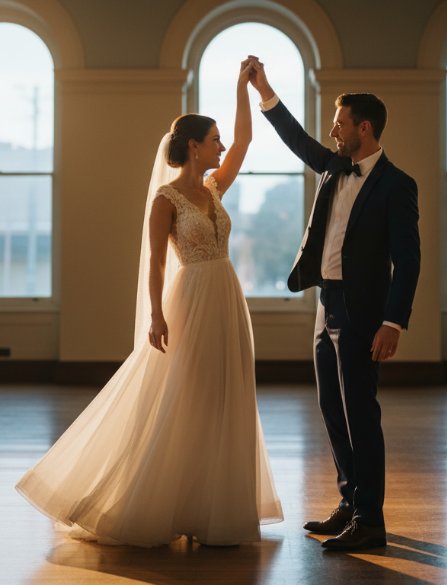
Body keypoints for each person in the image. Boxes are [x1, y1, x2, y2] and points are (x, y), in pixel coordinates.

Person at [16, 57, 282, 547]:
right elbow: (157, 262)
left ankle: (211, 508)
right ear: (194, 147)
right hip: (192, 301)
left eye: (220, 139)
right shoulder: (167, 200)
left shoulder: (213, 187)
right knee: (186, 398)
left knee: (226, 399)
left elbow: (244, 143)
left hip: (227, 298)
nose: (222, 145)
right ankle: (159, 501)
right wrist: (156, 314)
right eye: (214, 139)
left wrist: (244, 88)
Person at [248, 58, 420, 550]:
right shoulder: (332, 166)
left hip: (365, 312)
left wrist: (394, 322)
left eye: (340, 123)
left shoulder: (396, 185)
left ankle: (371, 521)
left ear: (363, 128)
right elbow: (297, 139)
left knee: (360, 412)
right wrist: (265, 91)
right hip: (327, 302)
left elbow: (408, 262)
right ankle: (350, 502)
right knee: (330, 406)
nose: (333, 130)